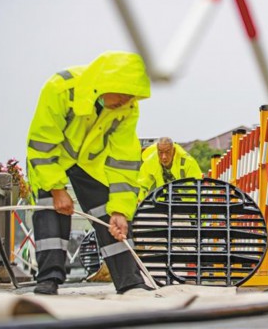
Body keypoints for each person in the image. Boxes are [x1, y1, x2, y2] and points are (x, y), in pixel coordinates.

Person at [27, 51, 151, 295]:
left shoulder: (127, 108)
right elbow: (41, 144)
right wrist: (57, 189)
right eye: (124, 94)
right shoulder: (60, 89)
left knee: (110, 217)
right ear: (106, 84)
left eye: (132, 97)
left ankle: (130, 282)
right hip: (51, 160)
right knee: (50, 211)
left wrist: (120, 210)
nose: (126, 101)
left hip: (90, 165)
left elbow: (124, 162)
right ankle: (48, 280)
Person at [138, 137, 202, 201]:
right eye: (160, 152)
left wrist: (191, 208)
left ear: (173, 150)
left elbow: (197, 189)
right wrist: (138, 204)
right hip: (163, 204)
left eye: (167, 152)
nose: (164, 157)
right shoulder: (151, 161)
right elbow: (141, 185)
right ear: (157, 150)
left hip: (187, 205)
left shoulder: (188, 162)